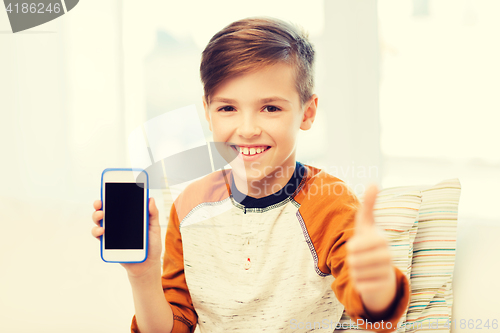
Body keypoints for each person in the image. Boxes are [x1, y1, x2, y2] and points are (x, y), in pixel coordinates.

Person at [91, 16, 410, 333]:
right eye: (227, 108)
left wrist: (377, 285)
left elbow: (376, 318)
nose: (247, 130)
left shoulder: (329, 204)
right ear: (207, 111)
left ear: (307, 112)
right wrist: (143, 277)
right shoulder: (189, 207)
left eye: (270, 108)